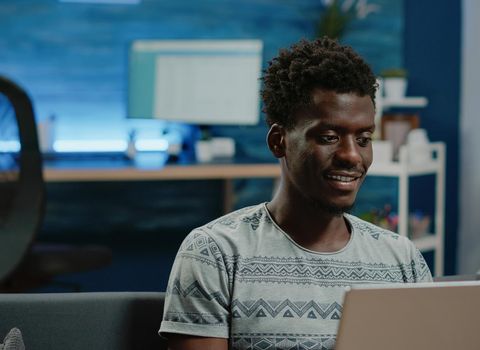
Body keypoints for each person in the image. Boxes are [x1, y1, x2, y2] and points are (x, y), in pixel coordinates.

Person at [159, 37, 432, 350]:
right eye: (329, 137)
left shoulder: (401, 258)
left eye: (364, 139)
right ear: (279, 141)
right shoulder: (214, 253)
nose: (352, 156)